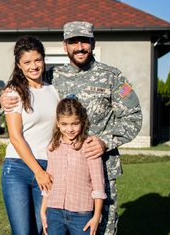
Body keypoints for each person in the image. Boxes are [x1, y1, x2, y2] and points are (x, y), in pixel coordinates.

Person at [0, 21, 142, 235]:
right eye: (73, 42)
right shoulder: (54, 76)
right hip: (61, 170)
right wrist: (1, 97)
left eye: (85, 41)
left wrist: (105, 142)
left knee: (101, 229)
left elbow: (134, 117)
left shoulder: (112, 77)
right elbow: (25, 84)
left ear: (93, 43)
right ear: (65, 46)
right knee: (55, 227)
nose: (80, 47)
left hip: (100, 169)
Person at [1, 36, 60, 235]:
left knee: (41, 229)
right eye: (27, 62)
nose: (33, 66)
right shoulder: (14, 93)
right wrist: (38, 171)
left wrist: (46, 171)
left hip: (48, 168)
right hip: (18, 169)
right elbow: (15, 137)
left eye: (37, 60)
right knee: (22, 232)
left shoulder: (55, 91)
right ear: (19, 65)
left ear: (43, 59)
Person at [40, 97, 107, 235]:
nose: (69, 129)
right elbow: (49, 181)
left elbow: (98, 185)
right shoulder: (52, 147)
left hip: (81, 215)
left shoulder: (89, 147)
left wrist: (96, 217)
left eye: (75, 124)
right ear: (57, 123)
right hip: (54, 213)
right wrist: (43, 210)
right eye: (64, 124)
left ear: (82, 122)